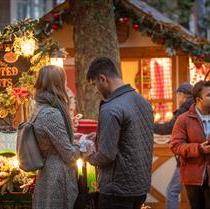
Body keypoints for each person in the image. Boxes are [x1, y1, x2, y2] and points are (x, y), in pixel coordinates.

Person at [85, 57, 154, 209]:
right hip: (140, 187)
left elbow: (106, 155)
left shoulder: (111, 108)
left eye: (95, 85)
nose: (96, 91)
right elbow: (132, 134)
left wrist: (88, 156)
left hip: (117, 191)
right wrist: (100, 135)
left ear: (103, 79)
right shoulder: (143, 101)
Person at [31, 65, 80, 209]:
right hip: (57, 177)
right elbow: (69, 155)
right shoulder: (51, 113)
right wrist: (81, 145)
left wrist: (73, 138)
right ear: (58, 85)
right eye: (64, 82)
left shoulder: (39, 107)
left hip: (48, 173)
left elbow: (55, 140)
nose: (66, 86)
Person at [154, 82, 194, 209]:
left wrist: (149, 124)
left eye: (178, 96)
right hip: (195, 154)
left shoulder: (184, 109)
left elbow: (168, 128)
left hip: (187, 157)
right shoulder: (196, 107)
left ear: (181, 95)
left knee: (172, 191)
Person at [171, 80, 210, 209]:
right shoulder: (183, 119)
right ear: (198, 99)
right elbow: (176, 146)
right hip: (193, 176)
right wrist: (199, 149)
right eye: (209, 95)